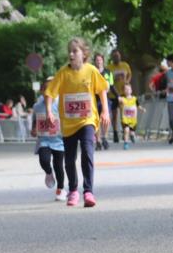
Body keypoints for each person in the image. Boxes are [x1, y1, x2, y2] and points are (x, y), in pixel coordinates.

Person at [43, 37, 110, 207]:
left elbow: (102, 89)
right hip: (69, 124)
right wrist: (49, 111)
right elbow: (50, 92)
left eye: (75, 51)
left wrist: (105, 111)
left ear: (84, 54)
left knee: (87, 153)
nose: (71, 54)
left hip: (88, 120)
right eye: (70, 51)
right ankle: (73, 190)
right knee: (69, 159)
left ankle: (88, 191)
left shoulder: (91, 70)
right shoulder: (63, 73)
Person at [31, 77, 66, 201]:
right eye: (46, 88)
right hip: (44, 140)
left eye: (51, 88)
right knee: (44, 160)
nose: (48, 91)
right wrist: (34, 129)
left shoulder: (61, 103)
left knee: (59, 166)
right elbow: (35, 120)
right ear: (42, 90)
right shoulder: (37, 105)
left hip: (59, 140)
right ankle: (48, 172)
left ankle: (60, 190)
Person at [93, 52, 118, 149]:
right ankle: (98, 140)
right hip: (95, 99)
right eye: (97, 60)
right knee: (97, 120)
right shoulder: (93, 72)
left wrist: (118, 96)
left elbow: (111, 86)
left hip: (105, 99)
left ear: (103, 61)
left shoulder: (108, 72)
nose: (99, 62)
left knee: (106, 119)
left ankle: (104, 137)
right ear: (95, 61)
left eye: (100, 60)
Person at [119, 83, 140, 149]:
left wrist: (142, 109)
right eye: (126, 89)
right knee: (126, 130)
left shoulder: (134, 98)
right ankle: (126, 143)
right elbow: (120, 105)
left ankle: (132, 136)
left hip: (133, 119)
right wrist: (120, 102)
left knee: (132, 132)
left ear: (131, 90)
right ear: (124, 91)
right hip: (125, 119)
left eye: (128, 89)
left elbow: (138, 105)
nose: (127, 91)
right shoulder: (122, 99)